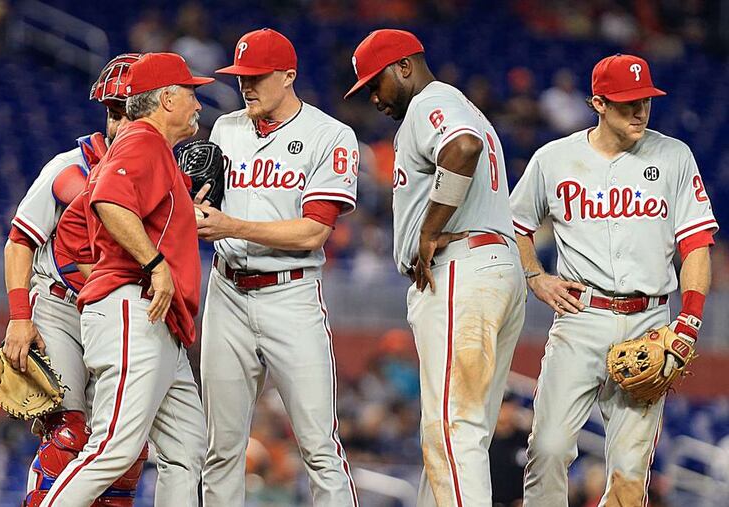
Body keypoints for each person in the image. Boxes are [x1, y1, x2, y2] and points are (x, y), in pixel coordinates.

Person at [510, 54, 718, 506]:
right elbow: (515, 225)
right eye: (627, 104)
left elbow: (697, 244)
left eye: (645, 101)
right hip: (582, 316)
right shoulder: (555, 159)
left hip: (650, 321)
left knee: (629, 475)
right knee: (547, 450)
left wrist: (690, 321)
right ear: (598, 103)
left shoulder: (674, 156)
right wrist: (535, 276)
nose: (640, 112)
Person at [345, 29, 526, 507]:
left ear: (403, 66)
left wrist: (429, 229)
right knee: (458, 433)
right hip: (492, 266)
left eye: (374, 84)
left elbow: (462, 147)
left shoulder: (431, 101)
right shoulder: (460, 104)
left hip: (461, 268)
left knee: (451, 431)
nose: (374, 98)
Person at [39, 52, 214, 507]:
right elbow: (109, 203)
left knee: (185, 451)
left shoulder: (149, 151)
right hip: (132, 308)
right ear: (167, 99)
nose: (198, 104)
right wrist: (153, 264)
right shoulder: (143, 139)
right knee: (114, 448)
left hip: (156, 319)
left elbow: (78, 224)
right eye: (191, 93)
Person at [195, 28, 359, 506]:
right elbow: (207, 208)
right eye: (241, 75)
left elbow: (313, 231)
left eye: (258, 76)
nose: (247, 85)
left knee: (319, 446)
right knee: (221, 448)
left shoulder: (329, 135)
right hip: (226, 291)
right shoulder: (225, 128)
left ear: (288, 76)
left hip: (291, 295)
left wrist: (231, 225)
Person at [2, 53, 153, 506]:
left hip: (119, 313)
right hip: (60, 305)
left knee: (126, 451)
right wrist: (18, 317)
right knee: (69, 435)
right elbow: (18, 241)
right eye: (112, 111)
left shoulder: (159, 171)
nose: (118, 121)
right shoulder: (70, 165)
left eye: (126, 111)